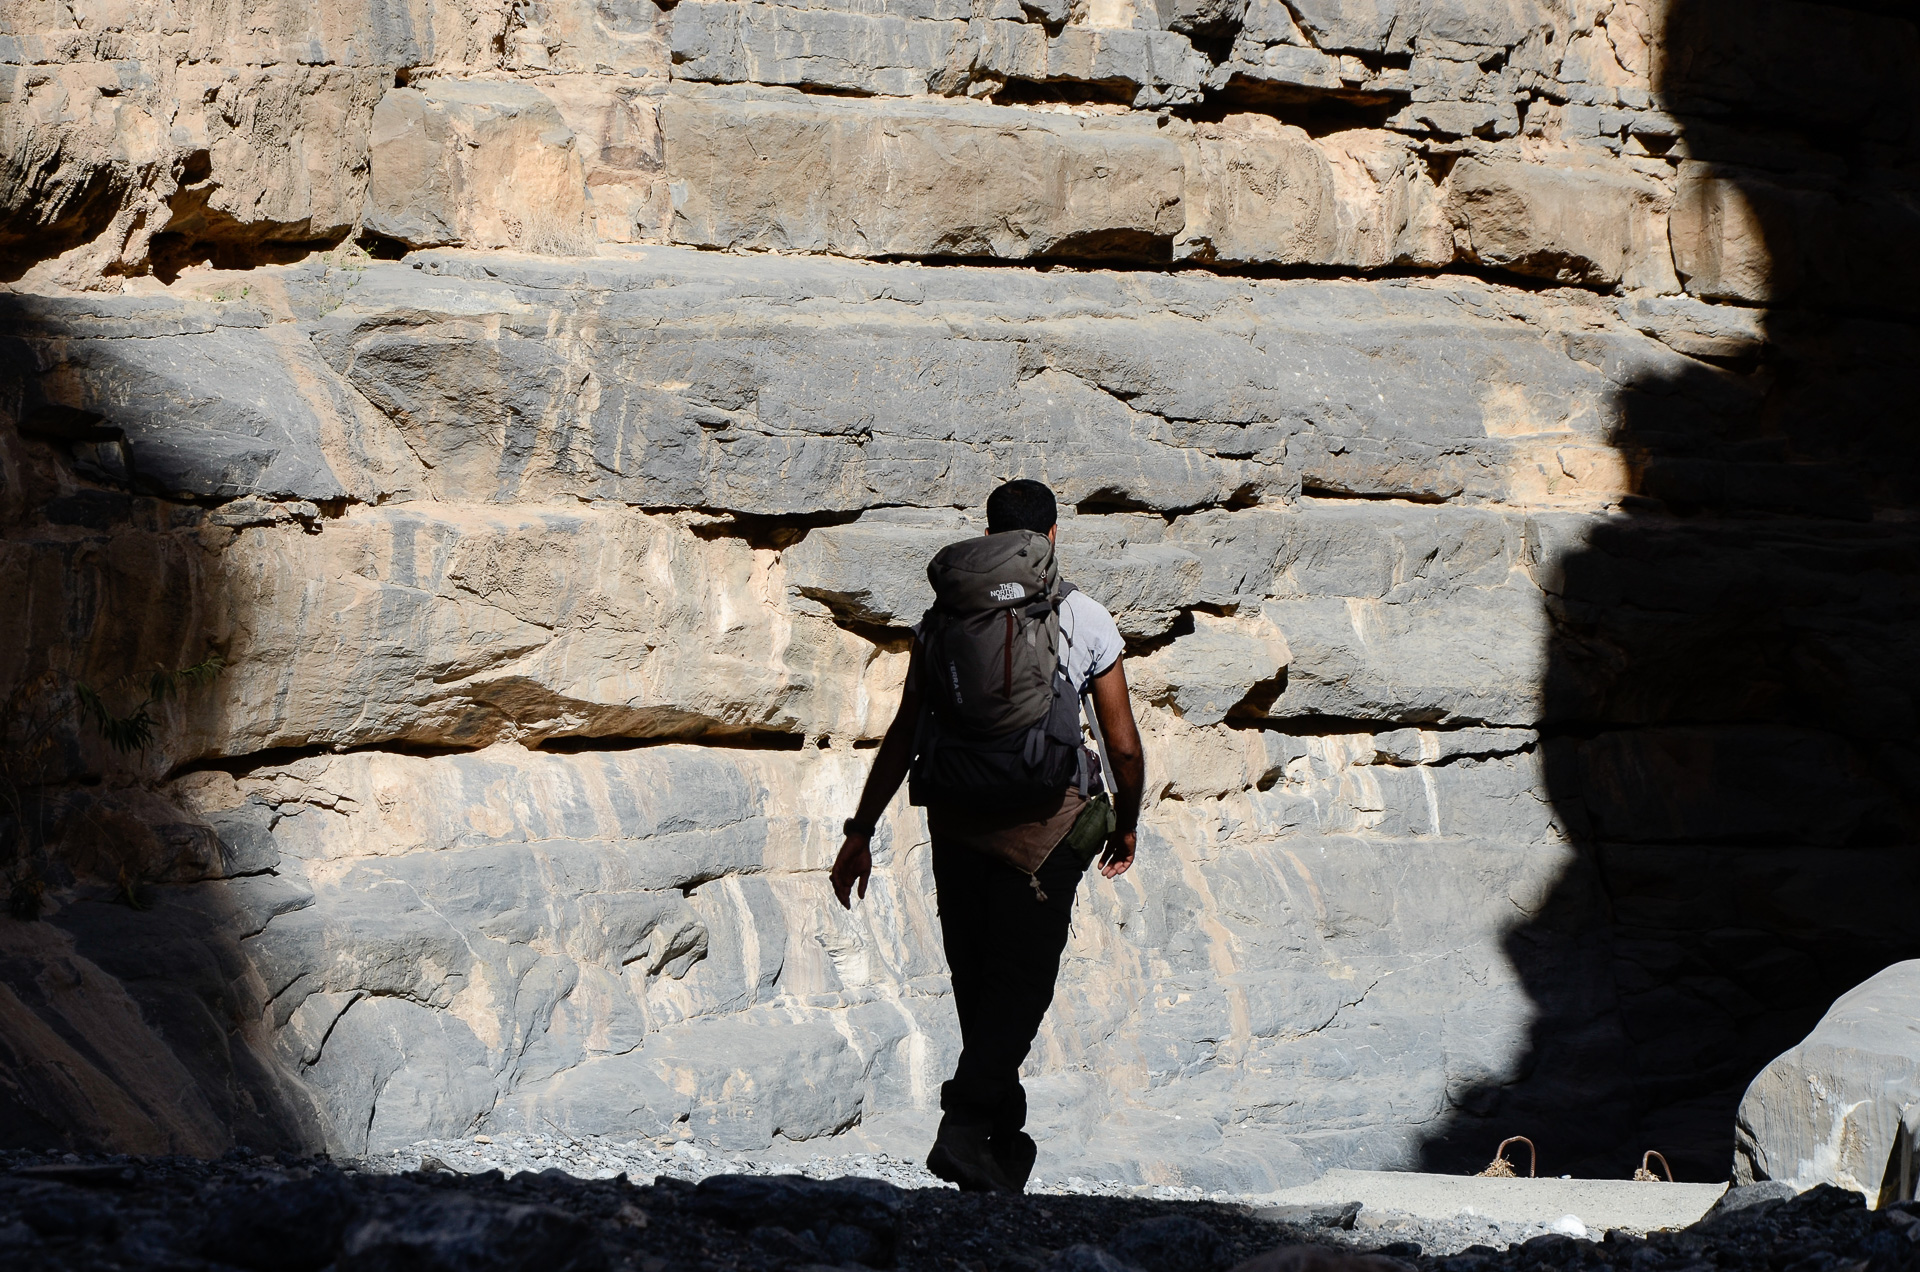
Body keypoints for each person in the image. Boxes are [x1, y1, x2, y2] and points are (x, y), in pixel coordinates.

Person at [829, 478, 1146, 1194]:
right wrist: (1125, 824)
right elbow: (1121, 745)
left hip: (958, 824)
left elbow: (906, 734)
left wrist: (860, 831)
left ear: (990, 532)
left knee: (980, 990)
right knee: (1021, 993)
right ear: (1052, 537)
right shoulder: (1082, 616)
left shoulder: (942, 620)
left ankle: (1000, 1150)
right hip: (1048, 829)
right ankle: (966, 1129)